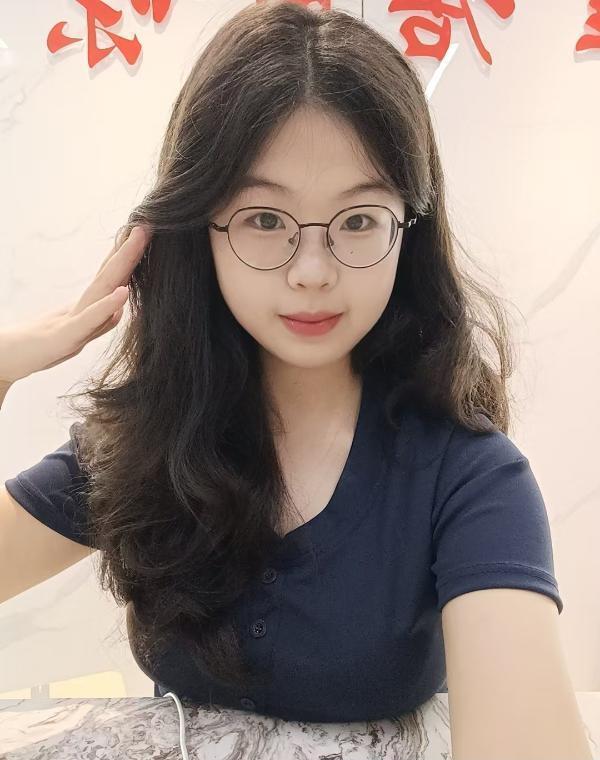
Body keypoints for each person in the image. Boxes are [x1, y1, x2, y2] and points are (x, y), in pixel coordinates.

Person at [0, 1, 562, 726]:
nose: (312, 272)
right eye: (265, 220)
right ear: (198, 229)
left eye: (358, 221)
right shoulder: (146, 443)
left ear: (408, 232)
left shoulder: (469, 479)